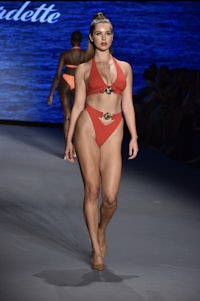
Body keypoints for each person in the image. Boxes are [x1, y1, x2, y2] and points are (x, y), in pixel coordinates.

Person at [65, 12, 139, 271]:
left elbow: (128, 104)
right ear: (91, 37)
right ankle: (96, 250)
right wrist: (69, 139)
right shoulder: (84, 69)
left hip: (115, 128)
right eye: (99, 34)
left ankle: (101, 229)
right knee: (92, 190)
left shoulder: (125, 68)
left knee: (110, 198)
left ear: (113, 36)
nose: (104, 38)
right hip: (88, 125)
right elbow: (77, 107)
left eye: (107, 33)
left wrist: (135, 135)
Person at [47, 30, 86, 157]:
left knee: (67, 116)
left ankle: (67, 149)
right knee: (77, 116)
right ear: (80, 40)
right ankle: (75, 148)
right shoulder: (85, 55)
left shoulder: (65, 54)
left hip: (66, 81)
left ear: (71, 40)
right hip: (78, 83)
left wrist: (51, 94)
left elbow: (57, 75)